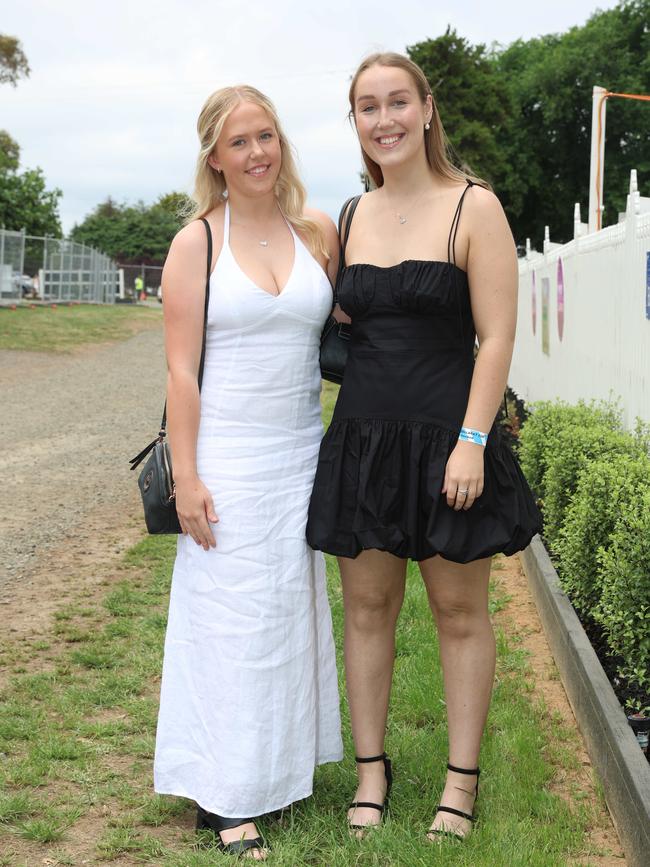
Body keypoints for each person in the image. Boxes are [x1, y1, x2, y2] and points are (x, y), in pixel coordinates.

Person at [307, 52, 541, 842]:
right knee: (367, 610)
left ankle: (460, 782)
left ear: (427, 107)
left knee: (458, 611)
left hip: (451, 440)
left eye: (397, 101)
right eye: (367, 107)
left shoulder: (473, 206)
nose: (385, 119)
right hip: (364, 440)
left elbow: (499, 334)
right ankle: (372, 773)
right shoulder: (347, 216)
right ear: (357, 123)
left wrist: (474, 440)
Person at [154, 84, 343, 860]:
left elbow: (345, 323)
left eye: (266, 135)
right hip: (226, 456)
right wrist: (186, 475)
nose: (258, 152)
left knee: (286, 617)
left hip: (301, 450)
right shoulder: (197, 240)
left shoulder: (318, 232)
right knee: (228, 622)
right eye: (240, 142)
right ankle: (224, 794)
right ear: (215, 158)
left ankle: (279, 769)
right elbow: (181, 371)